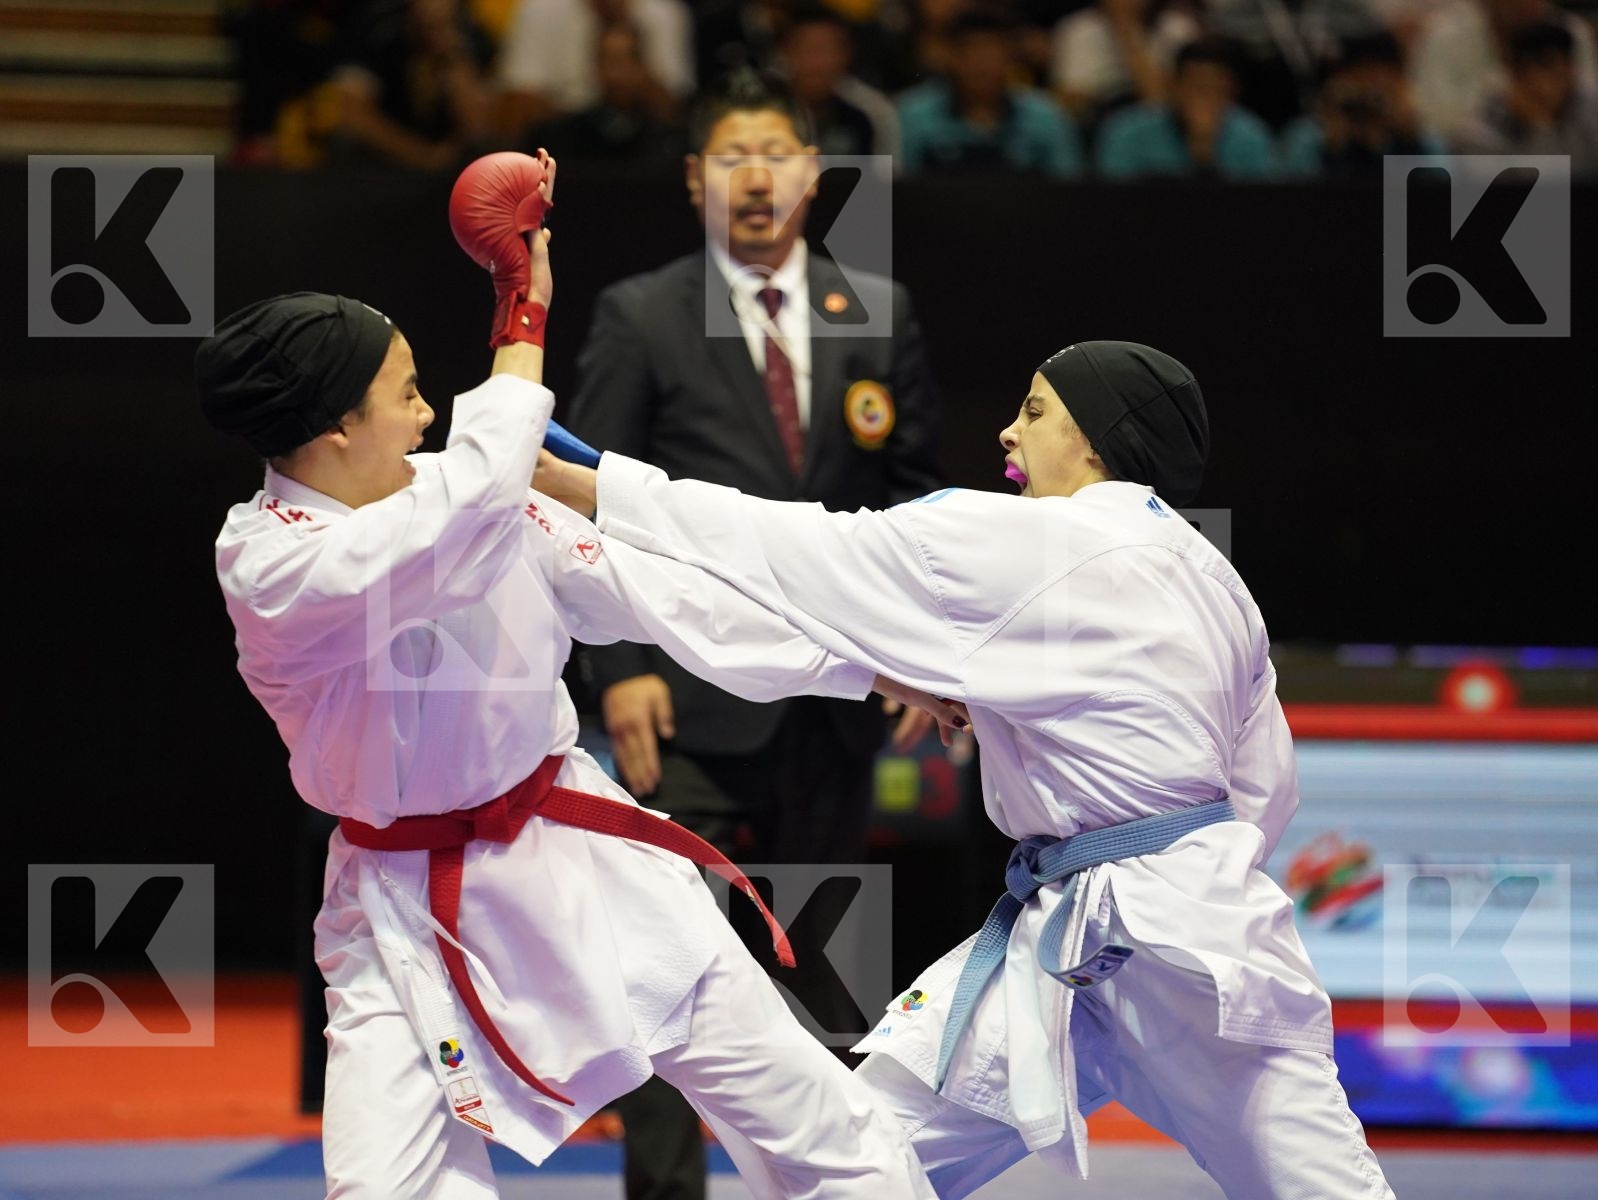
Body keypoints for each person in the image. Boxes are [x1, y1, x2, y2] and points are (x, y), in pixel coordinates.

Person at [196, 149, 946, 1199]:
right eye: (408, 395)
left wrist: (869, 669)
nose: (427, 418)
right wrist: (517, 314)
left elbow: (672, 603)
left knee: (818, 1127)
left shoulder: (469, 496)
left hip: (577, 851)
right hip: (400, 911)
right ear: (333, 429)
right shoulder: (273, 563)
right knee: (384, 1190)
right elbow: (452, 518)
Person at [536, 338, 1399, 1199]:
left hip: (1165, 949)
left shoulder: (1028, 538)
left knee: (844, 1168)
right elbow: (1265, 790)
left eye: (1034, 412)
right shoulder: (1221, 582)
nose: (1006, 435)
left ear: (1096, 439)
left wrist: (590, 481)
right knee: (857, 1157)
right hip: (1124, 930)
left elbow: (788, 547)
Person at [563, 66, 944, 1200]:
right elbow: (575, 497)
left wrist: (918, 660)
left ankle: (831, 1187)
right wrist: (620, 670)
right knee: (672, 970)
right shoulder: (640, 313)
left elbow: (912, 503)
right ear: (693, 180)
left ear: (815, 176)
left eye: (775, 154)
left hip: (829, 702)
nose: (754, 177)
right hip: (678, 703)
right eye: (730, 157)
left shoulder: (875, 310)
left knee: (823, 969)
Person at [897, 10, 1085, 177]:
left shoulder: (1046, 118)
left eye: (992, 53)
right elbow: (895, 195)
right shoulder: (913, 117)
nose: (982, 65)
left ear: (1011, 58)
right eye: (970, 52)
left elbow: (1069, 195)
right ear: (950, 57)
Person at [1096, 37, 1279, 179]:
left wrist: (1204, 149)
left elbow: (1260, 207)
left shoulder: (1251, 136)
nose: (1206, 97)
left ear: (1232, 93)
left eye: (1217, 89)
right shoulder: (1127, 132)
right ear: (1174, 86)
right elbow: (1111, 200)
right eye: (1198, 87)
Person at [1280, 31, 1444, 178]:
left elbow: (1441, 197)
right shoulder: (1307, 138)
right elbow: (1295, 198)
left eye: (1379, 75)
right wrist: (1335, 148)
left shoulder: (1424, 139)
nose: (1368, 87)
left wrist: (1407, 140)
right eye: (1357, 74)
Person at [1451, 19, 1598, 175]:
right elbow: (1551, 188)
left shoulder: (1591, 109)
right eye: (1525, 73)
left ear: (1571, 71)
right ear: (1511, 75)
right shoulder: (1481, 132)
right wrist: (1541, 127)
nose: (1540, 85)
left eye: (1551, 70)